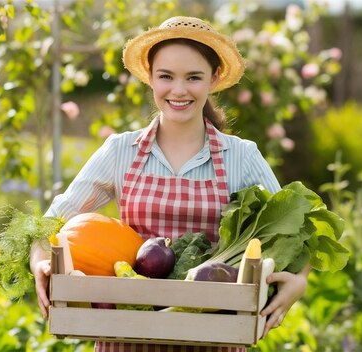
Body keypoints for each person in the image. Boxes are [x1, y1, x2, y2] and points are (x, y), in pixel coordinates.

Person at [29, 16, 309, 352]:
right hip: (126, 335)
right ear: (150, 76)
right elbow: (52, 222)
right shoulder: (121, 151)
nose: (179, 90)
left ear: (214, 78)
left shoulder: (241, 156)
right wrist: (39, 261)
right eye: (166, 76)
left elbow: (298, 234)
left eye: (193, 77)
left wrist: (299, 283)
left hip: (214, 337)